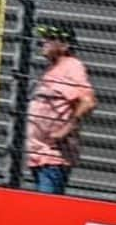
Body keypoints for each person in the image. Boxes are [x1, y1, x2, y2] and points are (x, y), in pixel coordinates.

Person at [26, 21, 97, 195]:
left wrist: (67, 128)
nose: (43, 42)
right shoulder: (53, 69)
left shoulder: (72, 66)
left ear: (64, 45)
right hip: (38, 155)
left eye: (50, 39)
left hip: (54, 157)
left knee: (45, 209)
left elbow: (88, 101)